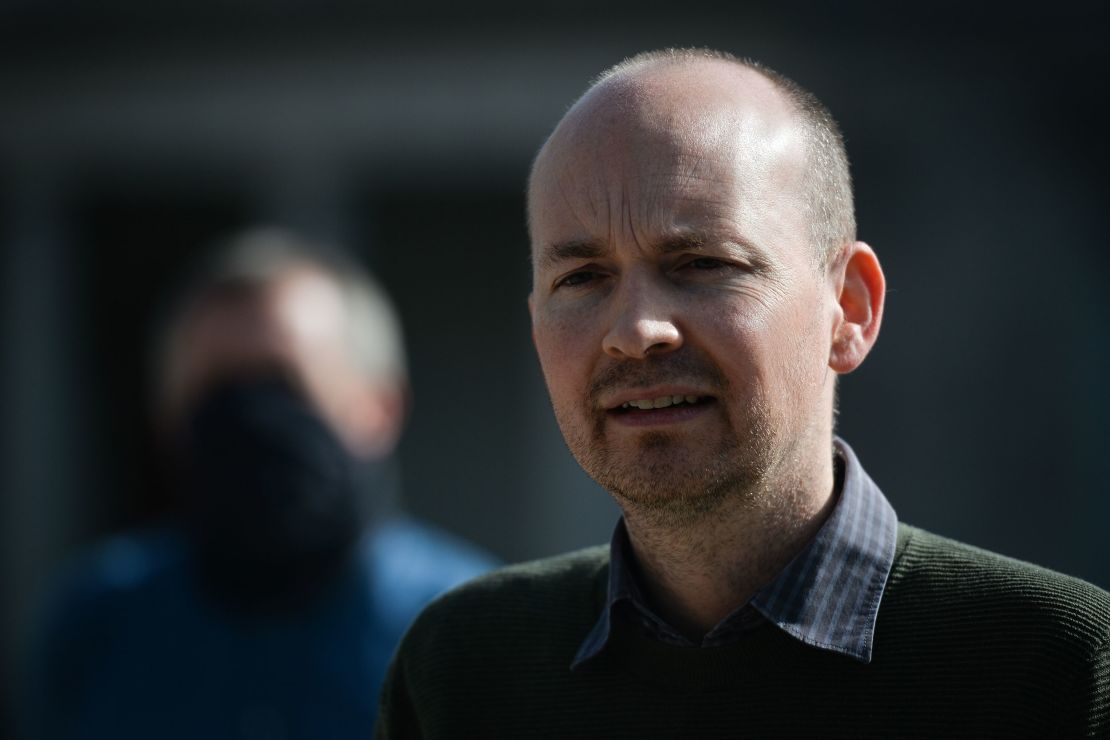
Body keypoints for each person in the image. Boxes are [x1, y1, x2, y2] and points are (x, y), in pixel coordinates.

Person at [376, 49, 1110, 738]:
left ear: (849, 309)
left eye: (701, 263)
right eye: (582, 279)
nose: (635, 330)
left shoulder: (1054, 672)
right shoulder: (462, 670)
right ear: (535, 324)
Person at [27, 228, 497, 740]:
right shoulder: (98, 623)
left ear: (379, 407)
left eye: (283, 381)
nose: (249, 415)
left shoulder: (468, 629)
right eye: (216, 387)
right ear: (166, 418)